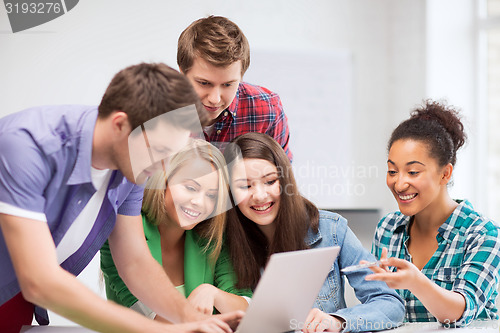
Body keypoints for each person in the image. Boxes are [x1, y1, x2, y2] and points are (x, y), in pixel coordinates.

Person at [0, 62, 242, 333]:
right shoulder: (24, 148)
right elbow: (39, 281)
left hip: (16, 298)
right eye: (159, 150)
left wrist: (193, 319)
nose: (163, 169)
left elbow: (135, 260)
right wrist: (164, 331)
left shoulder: (133, 164)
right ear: (119, 124)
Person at [222, 132, 405, 333]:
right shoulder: (225, 247)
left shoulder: (331, 229)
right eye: (245, 186)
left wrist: (338, 321)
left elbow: (390, 303)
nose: (259, 195)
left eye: (270, 181)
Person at [369, 100, 500, 326]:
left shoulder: (483, 234)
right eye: (392, 171)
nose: (399, 184)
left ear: (445, 173)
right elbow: (379, 306)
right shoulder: (387, 228)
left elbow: (460, 311)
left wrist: (415, 281)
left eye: (413, 172)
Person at [101, 139, 251, 319]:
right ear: (163, 180)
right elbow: (154, 321)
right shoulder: (123, 232)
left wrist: (213, 293)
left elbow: (246, 307)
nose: (199, 202)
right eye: (190, 188)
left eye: (211, 195)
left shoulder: (210, 240)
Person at [177, 15, 293, 161]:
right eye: (204, 83)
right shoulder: (157, 110)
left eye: (227, 84)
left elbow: (281, 176)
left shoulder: (268, 110)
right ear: (182, 73)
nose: (214, 99)